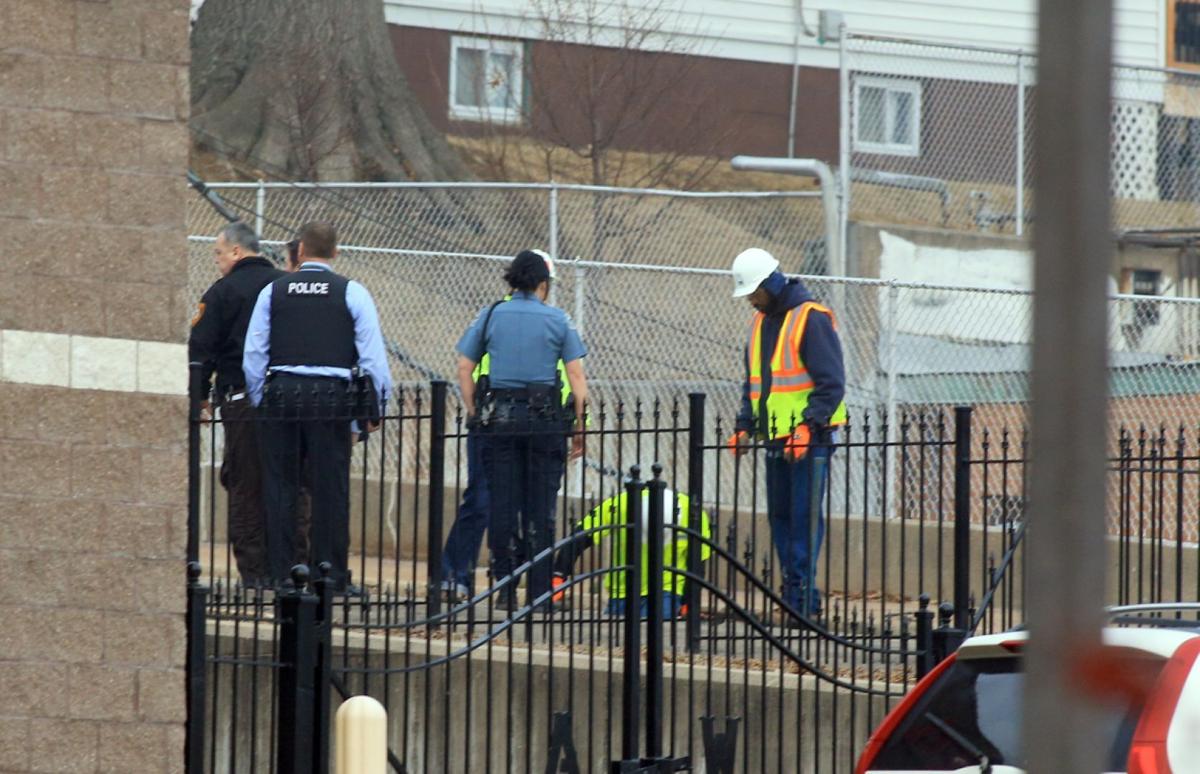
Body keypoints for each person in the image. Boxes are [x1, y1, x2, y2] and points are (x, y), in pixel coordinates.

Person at [243, 222, 392, 591]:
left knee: (281, 488)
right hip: (331, 397)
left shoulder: (273, 291)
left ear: (301, 251)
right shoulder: (352, 293)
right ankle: (331, 577)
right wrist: (370, 414)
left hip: (283, 393)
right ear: (335, 253)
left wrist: (263, 399)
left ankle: (282, 576)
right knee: (331, 490)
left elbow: (254, 354)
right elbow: (374, 362)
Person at [456, 249, 588, 611]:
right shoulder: (559, 320)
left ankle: (505, 588)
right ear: (542, 284)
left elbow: (464, 367)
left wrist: (474, 411)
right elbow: (577, 378)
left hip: (499, 421)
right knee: (540, 509)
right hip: (545, 423)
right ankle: (540, 593)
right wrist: (580, 428)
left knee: (503, 505)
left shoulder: (490, 315)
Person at [726, 247, 847, 617]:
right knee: (781, 518)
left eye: (753, 293)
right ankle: (792, 595)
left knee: (803, 519)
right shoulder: (761, 322)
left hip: (809, 442)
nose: (750, 301)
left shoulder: (811, 319)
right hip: (776, 438)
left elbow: (832, 383)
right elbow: (756, 384)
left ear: (771, 283)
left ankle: (802, 600)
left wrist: (808, 427)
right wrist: (744, 426)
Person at [189, 222, 285, 585]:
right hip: (287, 401)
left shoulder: (223, 292)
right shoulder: (284, 286)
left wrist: (199, 397)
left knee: (246, 485)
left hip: (242, 400)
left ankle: (255, 575)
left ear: (236, 251)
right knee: (290, 485)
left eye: (217, 252)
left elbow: (201, 350)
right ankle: (292, 568)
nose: (215, 260)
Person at [553, 484, 711, 618]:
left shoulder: (693, 514)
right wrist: (559, 575)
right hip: (622, 590)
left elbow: (697, 563)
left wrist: (689, 602)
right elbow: (580, 536)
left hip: (667, 590)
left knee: (652, 642)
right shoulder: (619, 505)